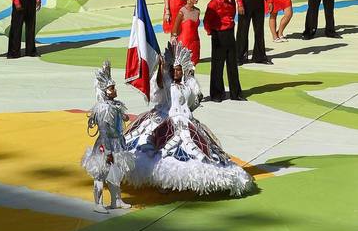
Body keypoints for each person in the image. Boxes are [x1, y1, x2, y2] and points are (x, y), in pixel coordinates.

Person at [124, 43, 252, 196]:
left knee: (198, 150)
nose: (176, 72)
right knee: (163, 152)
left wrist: (191, 77)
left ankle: (180, 180)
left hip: (186, 122)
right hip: (166, 121)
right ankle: (163, 180)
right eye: (174, 69)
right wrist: (160, 69)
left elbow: (193, 102)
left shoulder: (188, 85)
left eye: (179, 69)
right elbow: (157, 87)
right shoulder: (166, 83)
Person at [83, 60, 133, 213]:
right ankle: (98, 203)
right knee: (101, 172)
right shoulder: (103, 109)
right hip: (106, 145)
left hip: (117, 143)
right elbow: (104, 131)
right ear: (105, 91)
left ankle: (116, 200)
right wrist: (108, 152)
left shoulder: (115, 105)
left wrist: (122, 117)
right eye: (112, 88)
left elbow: (119, 121)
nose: (115, 90)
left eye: (114, 87)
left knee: (116, 171)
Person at [203, 0, 244, 101]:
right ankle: (216, 94)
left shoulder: (232, 2)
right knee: (217, 65)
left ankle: (236, 93)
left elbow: (232, 14)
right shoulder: (214, 3)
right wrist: (210, 32)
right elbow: (207, 20)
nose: (231, 0)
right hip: (218, 34)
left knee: (232, 64)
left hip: (230, 32)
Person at [171, 0, 201, 64]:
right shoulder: (182, 11)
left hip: (195, 42)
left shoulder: (198, 11)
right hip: (184, 43)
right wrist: (173, 38)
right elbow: (175, 27)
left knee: (193, 67)